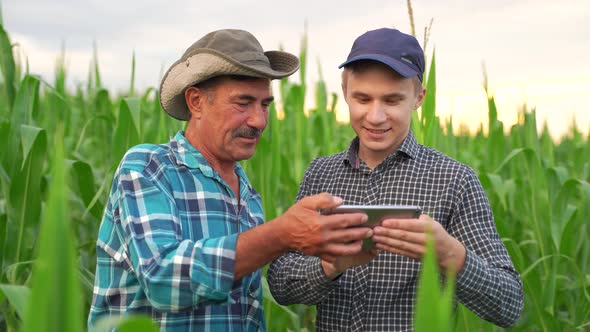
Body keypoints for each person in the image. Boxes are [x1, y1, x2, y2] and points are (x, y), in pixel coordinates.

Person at [87, 29, 374, 331]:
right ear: (196, 102)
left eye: (264, 105)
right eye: (243, 103)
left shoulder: (247, 195)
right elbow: (162, 279)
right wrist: (279, 236)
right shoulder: (149, 168)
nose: (259, 121)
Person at [267, 27, 524, 331]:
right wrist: (331, 265)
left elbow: (510, 306)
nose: (375, 116)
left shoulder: (454, 181)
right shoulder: (321, 174)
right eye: (362, 98)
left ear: (418, 98)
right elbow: (281, 284)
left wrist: (449, 254)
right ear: (345, 92)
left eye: (392, 100)